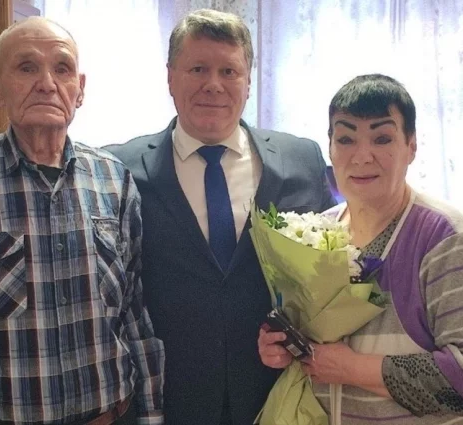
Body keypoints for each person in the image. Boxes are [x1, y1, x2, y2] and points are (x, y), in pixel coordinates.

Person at [0, 17, 164, 425]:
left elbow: (133, 310)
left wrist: (151, 413)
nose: (46, 83)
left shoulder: (114, 179)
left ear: (80, 90)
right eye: (26, 67)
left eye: (62, 68)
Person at [104, 8, 336, 425]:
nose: (213, 84)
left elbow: (327, 277)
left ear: (248, 81)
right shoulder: (119, 168)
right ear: (170, 77)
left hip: (277, 393)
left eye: (229, 71)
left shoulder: (302, 158)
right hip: (168, 397)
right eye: (198, 69)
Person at [258, 74, 463, 424]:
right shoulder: (315, 235)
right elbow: (314, 343)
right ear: (330, 148)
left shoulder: (447, 238)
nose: (362, 156)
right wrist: (282, 346)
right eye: (346, 139)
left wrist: (353, 368)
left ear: (411, 146)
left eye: (382, 138)